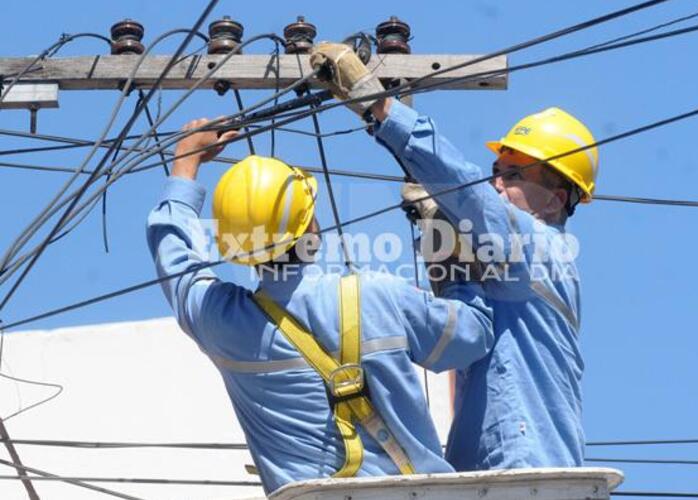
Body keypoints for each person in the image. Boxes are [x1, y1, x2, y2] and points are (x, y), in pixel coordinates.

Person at [146, 119, 494, 494]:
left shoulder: (225, 325)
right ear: (310, 227)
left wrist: (185, 161)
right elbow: (472, 337)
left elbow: (177, 260)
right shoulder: (378, 296)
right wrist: (455, 265)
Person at [311, 43, 598, 470]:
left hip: (531, 472)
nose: (497, 184)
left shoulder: (545, 251)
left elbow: (467, 190)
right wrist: (439, 232)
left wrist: (381, 106)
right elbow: (461, 334)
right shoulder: (504, 266)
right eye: (497, 173)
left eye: (514, 176)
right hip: (480, 472)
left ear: (556, 201)